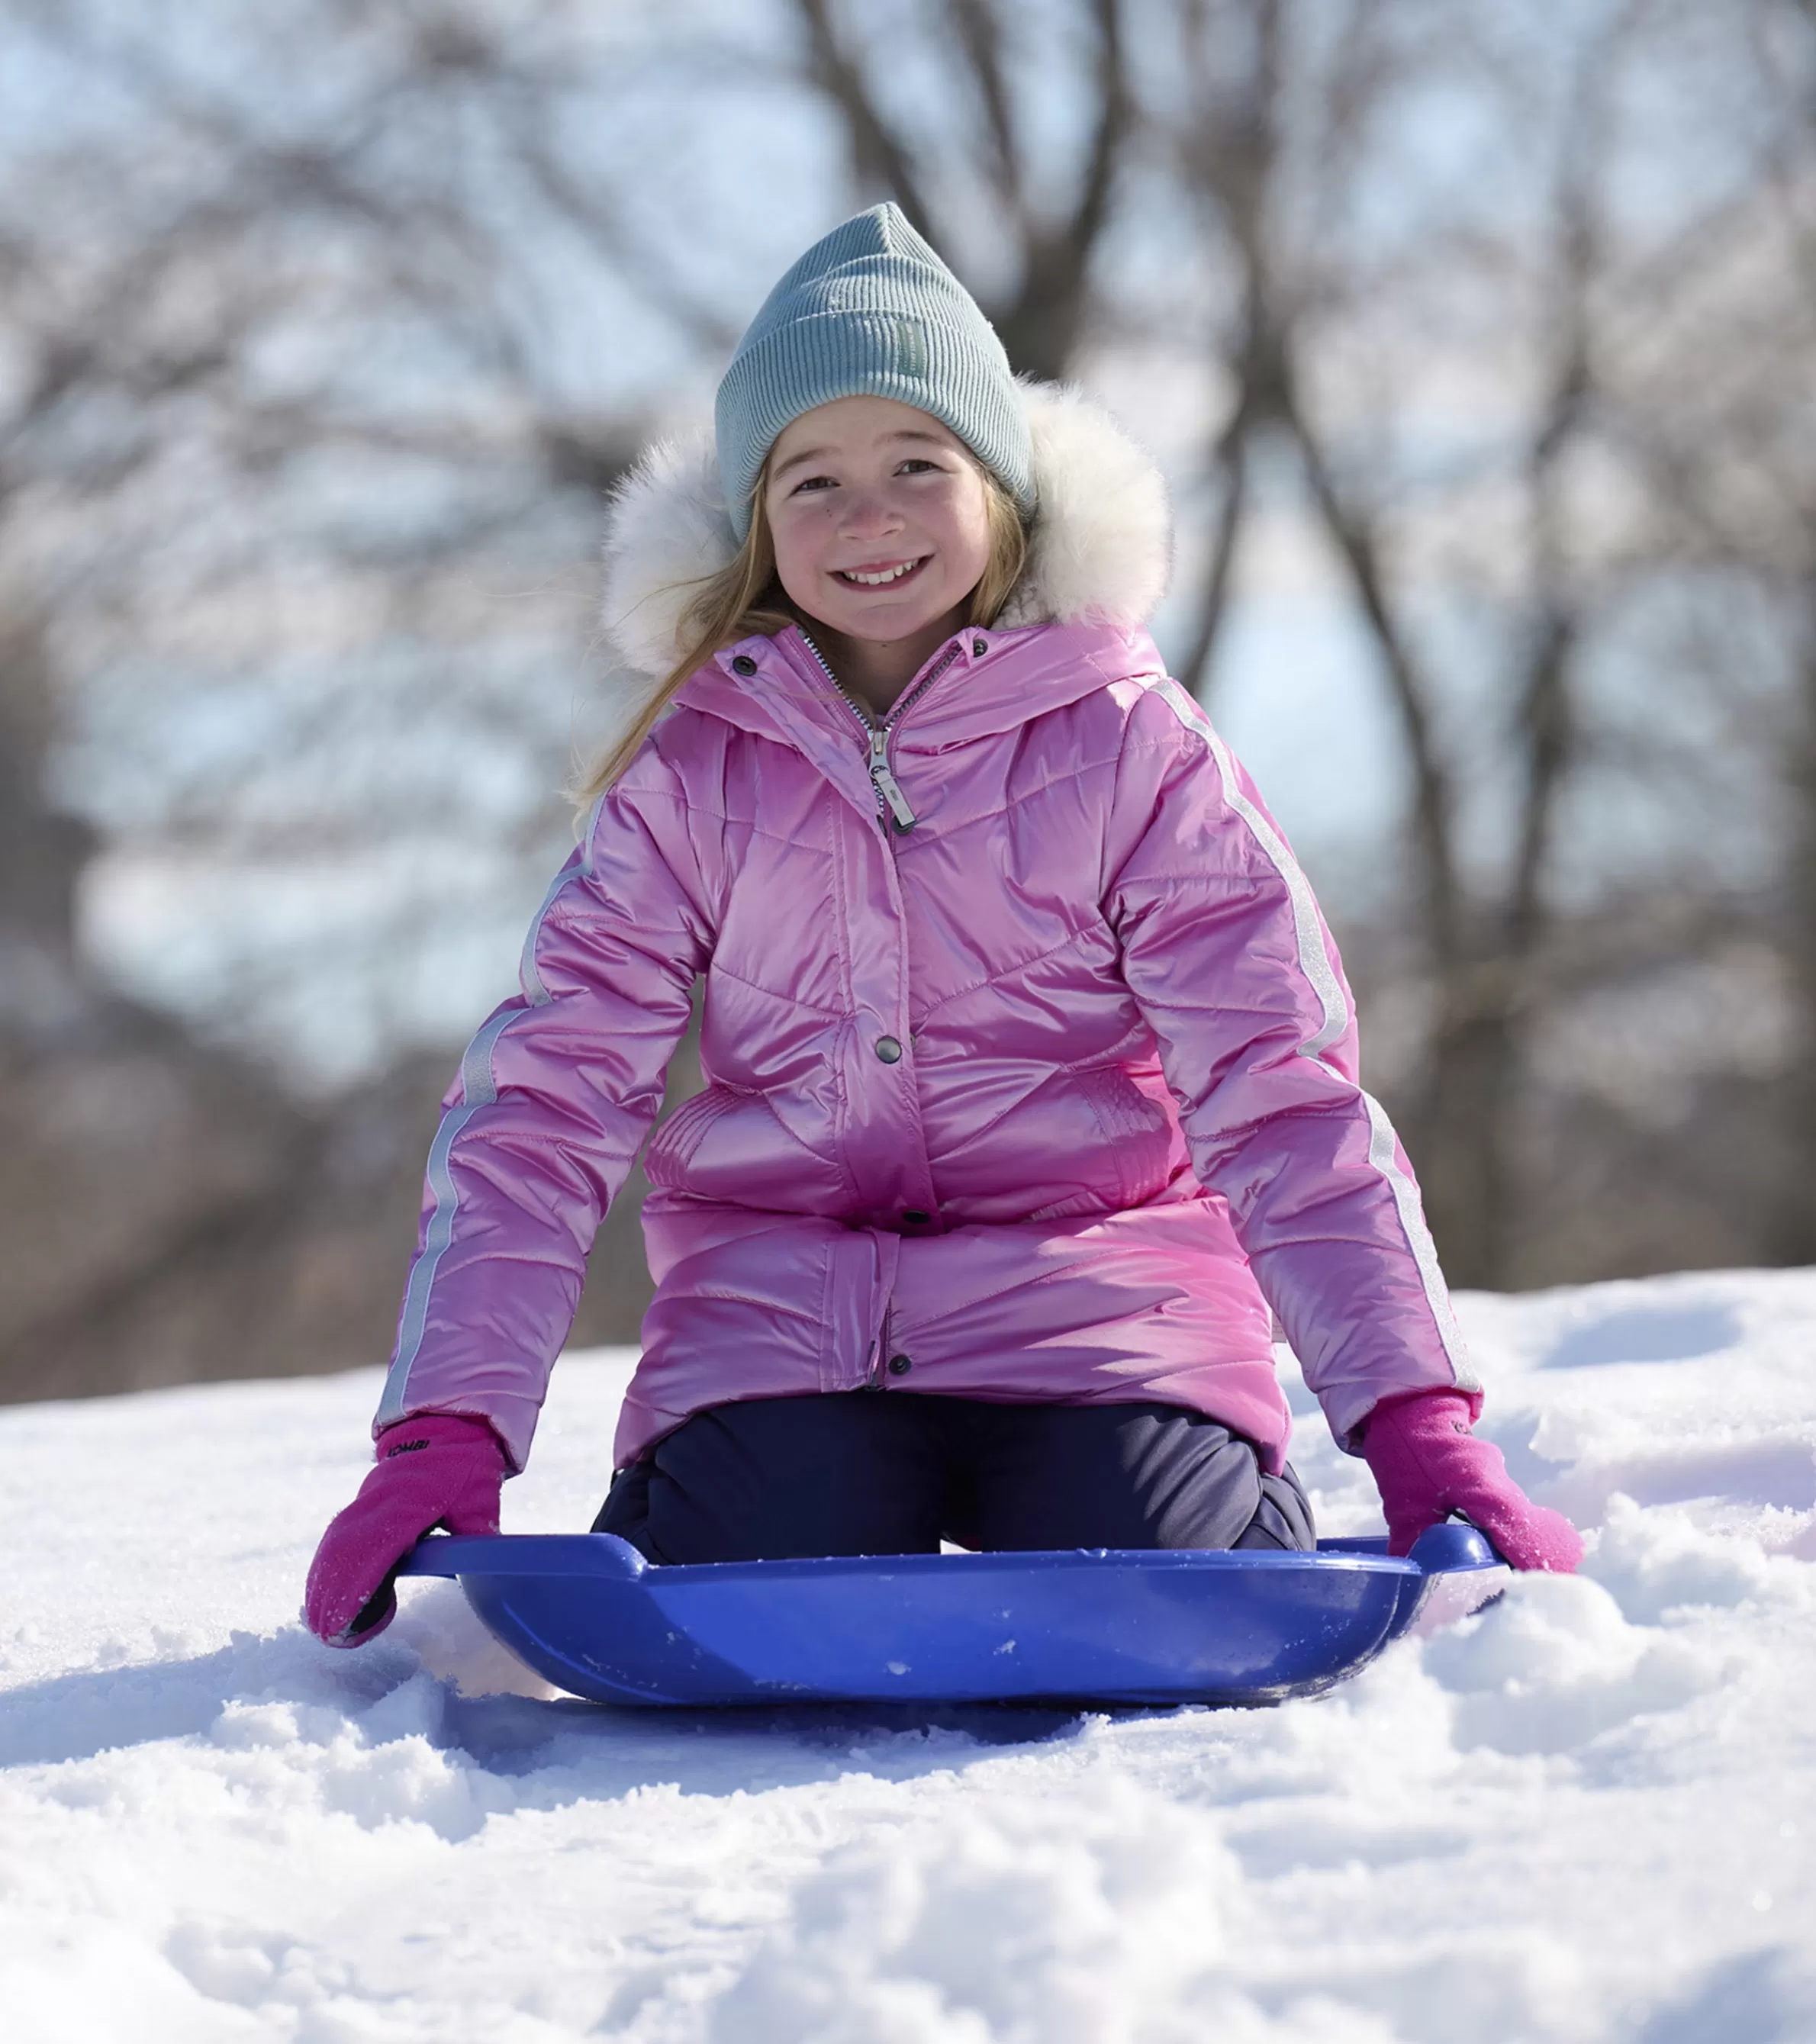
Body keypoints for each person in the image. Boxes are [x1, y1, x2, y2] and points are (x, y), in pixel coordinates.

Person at [305, 206, 1580, 1649]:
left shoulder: (1128, 748)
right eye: (813, 479)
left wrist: (1415, 1422)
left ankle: (1202, 1503)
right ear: (753, 525)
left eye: (919, 463)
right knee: (739, 1588)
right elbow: (545, 1103)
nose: (870, 516)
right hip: (787, 1341)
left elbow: (1280, 1088)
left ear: (1004, 492)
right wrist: (443, 1432)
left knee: (1162, 1589)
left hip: (1104, 1325)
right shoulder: (692, 774)